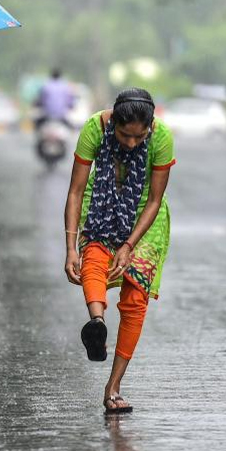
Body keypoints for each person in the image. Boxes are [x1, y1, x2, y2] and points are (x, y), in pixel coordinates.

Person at [63, 88, 174, 414]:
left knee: (136, 296)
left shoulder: (163, 137)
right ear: (113, 122)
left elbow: (154, 200)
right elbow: (76, 191)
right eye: (124, 135)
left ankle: (113, 387)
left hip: (145, 220)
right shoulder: (94, 130)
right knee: (93, 259)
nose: (131, 143)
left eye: (139, 137)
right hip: (101, 208)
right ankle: (96, 324)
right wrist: (71, 247)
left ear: (150, 127)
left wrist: (129, 245)